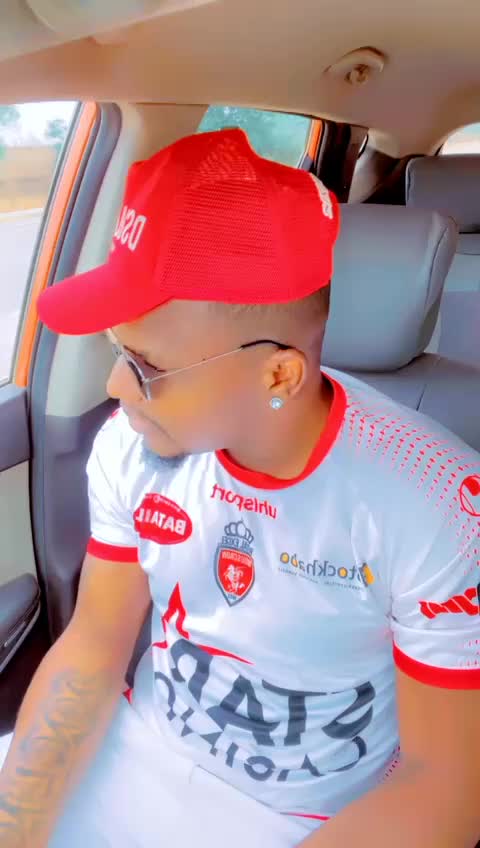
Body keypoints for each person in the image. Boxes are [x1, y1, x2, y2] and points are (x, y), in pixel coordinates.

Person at [0, 128, 479, 848]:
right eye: (116, 349)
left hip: (308, 822)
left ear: (278, 374)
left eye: (147, 366)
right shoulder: (130, 447)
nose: (115, 386)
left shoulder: (436, 502)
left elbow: (443, 790)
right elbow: (94, 646)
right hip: (138, 752)